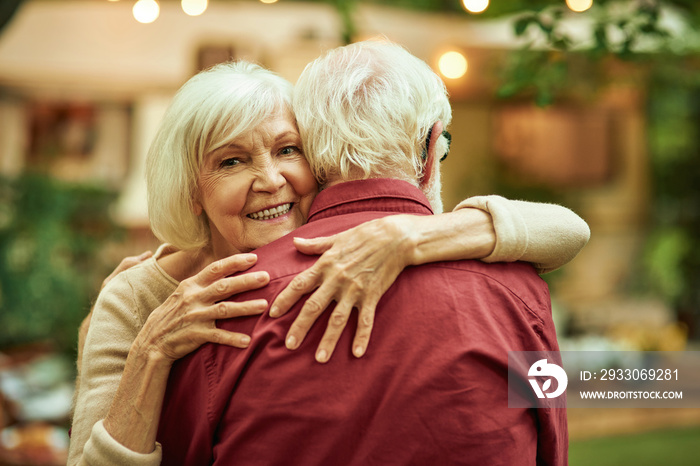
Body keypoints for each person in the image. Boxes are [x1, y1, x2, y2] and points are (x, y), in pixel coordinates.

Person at [70, 59, 586, 465]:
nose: (271, 180)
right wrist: (151, 350)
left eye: (287, 150)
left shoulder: (391, 245)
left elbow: (569, 231)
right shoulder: (138, 299)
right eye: (232, 161)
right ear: (190, 194)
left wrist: (410, 234)